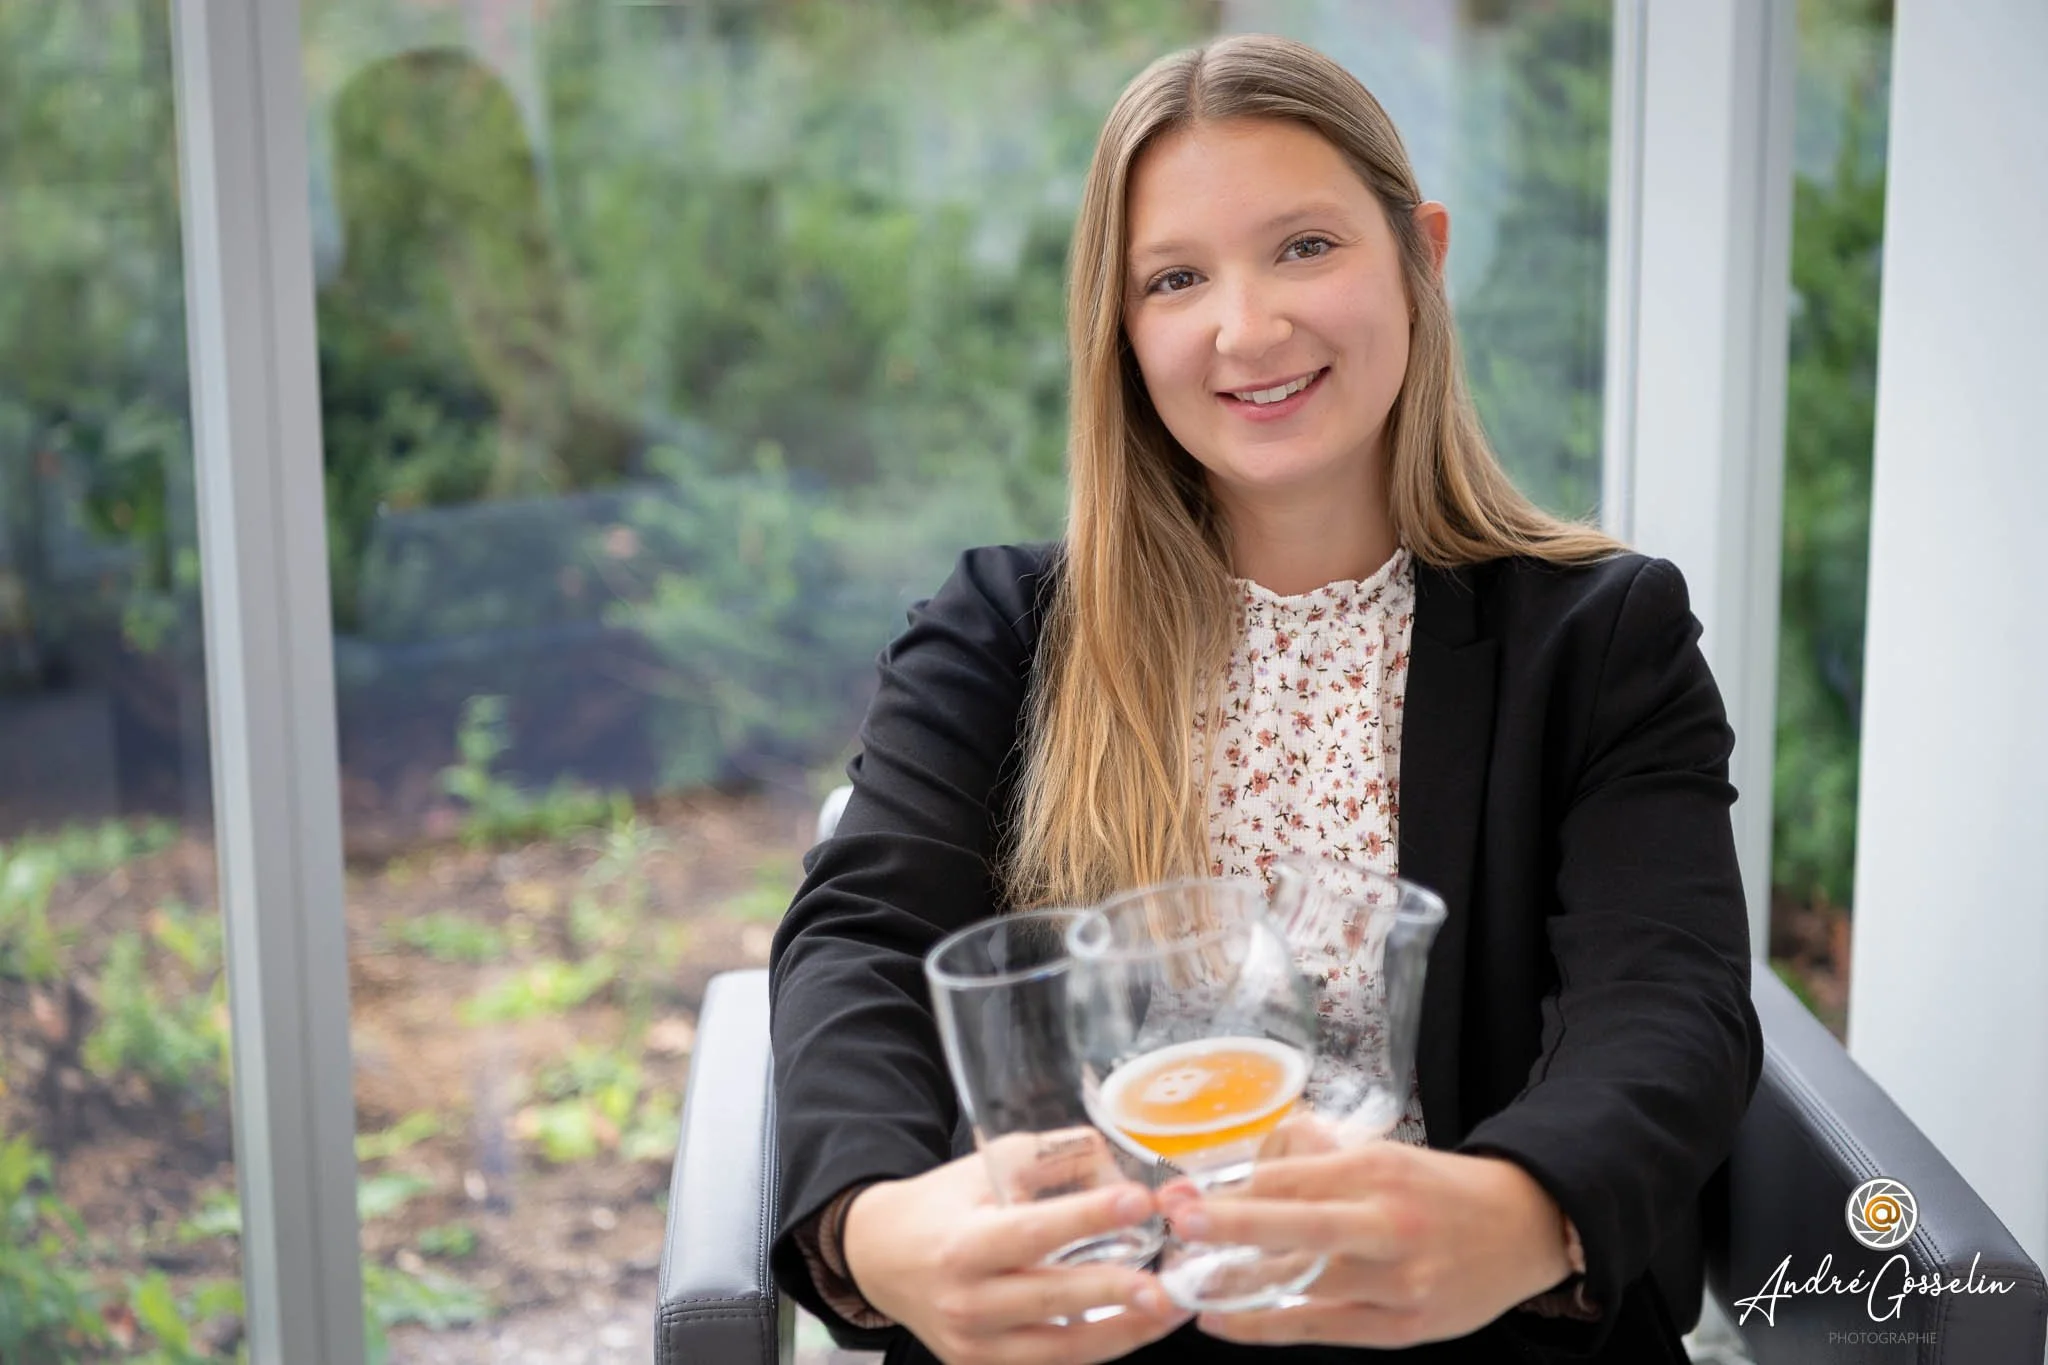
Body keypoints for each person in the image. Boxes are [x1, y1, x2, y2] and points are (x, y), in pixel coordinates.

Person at [768, 32, 1760, 1365]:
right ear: (1121, 332)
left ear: (1425, 255)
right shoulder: (1002, 632)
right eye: (1176, 278)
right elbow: (863, 941)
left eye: (1305, 247)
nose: (1250, 327)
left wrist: (1514, 1215)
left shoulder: (1602, 639)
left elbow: (1666, 997)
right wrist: (879, 1233)